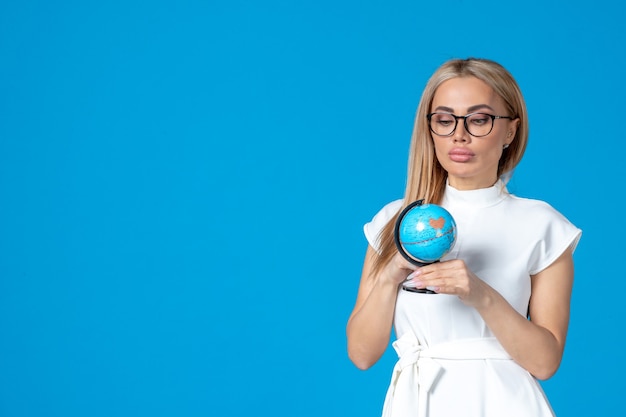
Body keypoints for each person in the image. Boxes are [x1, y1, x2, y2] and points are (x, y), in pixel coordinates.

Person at [346, 57, 582, 417]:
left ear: (510, 131)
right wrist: (391, 274)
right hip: (417, 402)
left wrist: (479, 293)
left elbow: (546, 363)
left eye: (479, 119)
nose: (459, 134)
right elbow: (362, 355)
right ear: (429, 129)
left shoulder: (542, 225)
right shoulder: (397, 221)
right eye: (444, 120)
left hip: (504, 403)